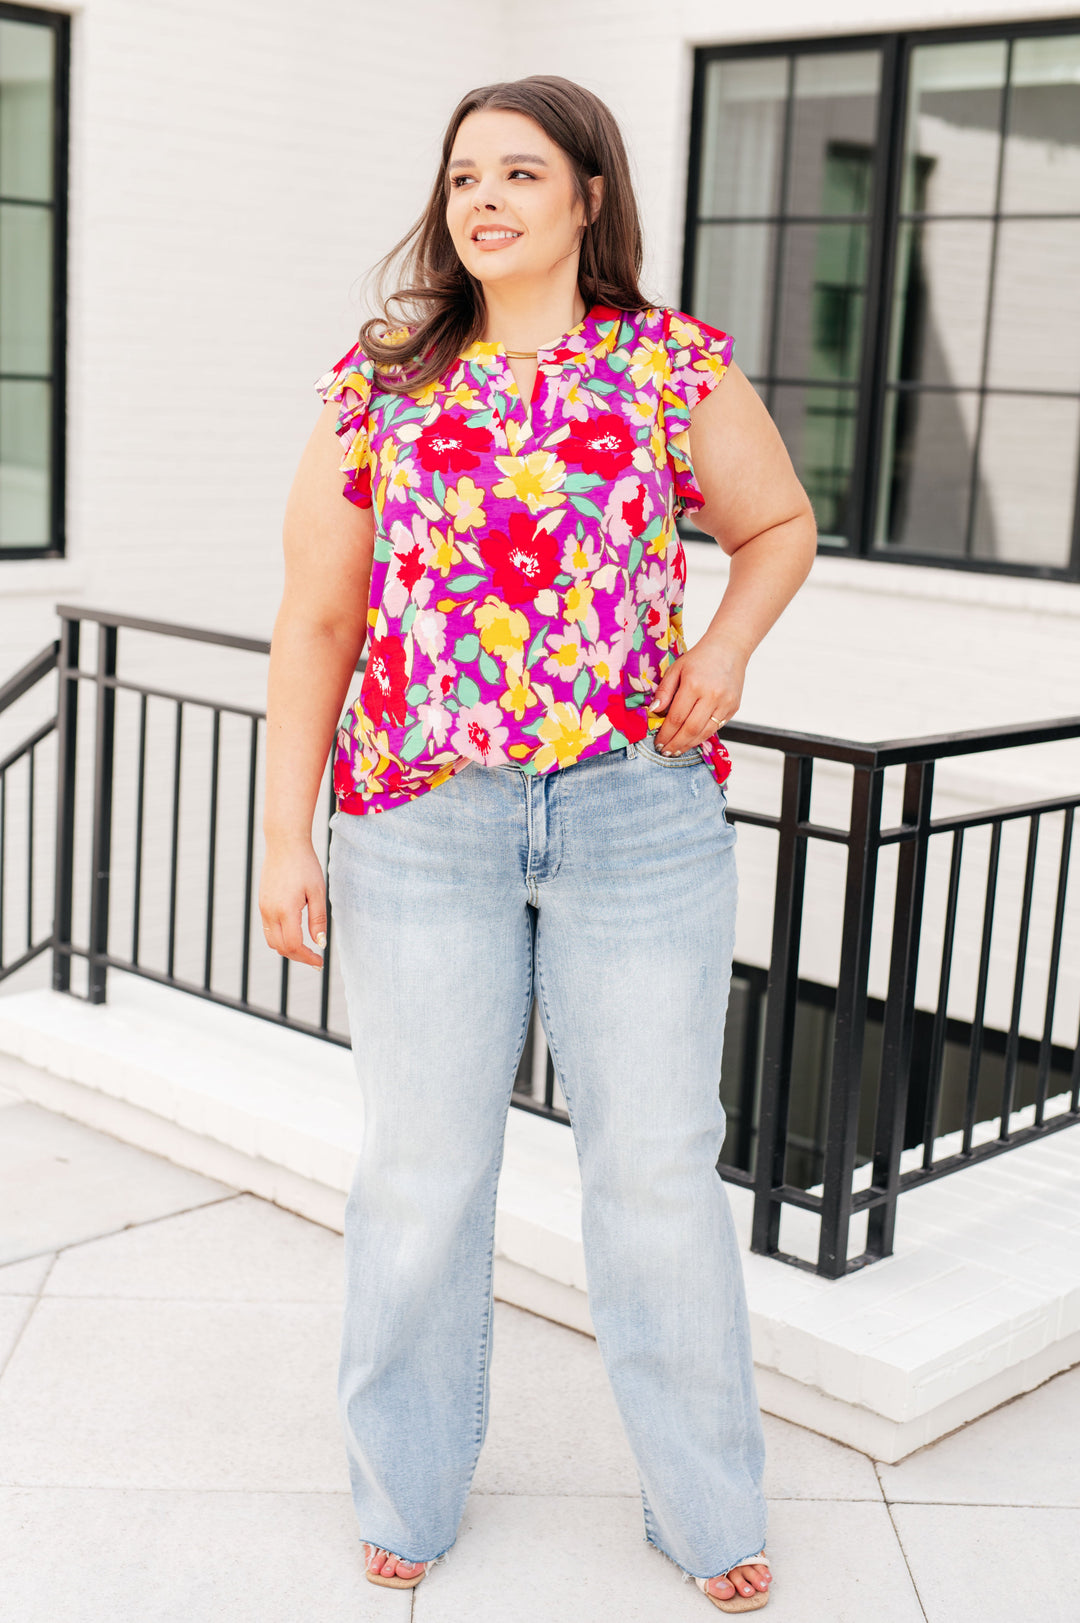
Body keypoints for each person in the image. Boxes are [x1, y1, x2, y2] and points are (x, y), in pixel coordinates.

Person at [260, 73, 816, 1614]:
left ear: (588, 197)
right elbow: (317, 616)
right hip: (419, 825)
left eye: (519, 172)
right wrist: (283, 834)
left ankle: (707, 1511)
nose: (484, 199)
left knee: (657, 1173)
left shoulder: (669, 362)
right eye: (463, 178)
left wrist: (726, 650)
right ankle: (405, 1491)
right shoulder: (381, 376)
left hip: (639, 819)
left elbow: (777, 526)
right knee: (423, 1175)